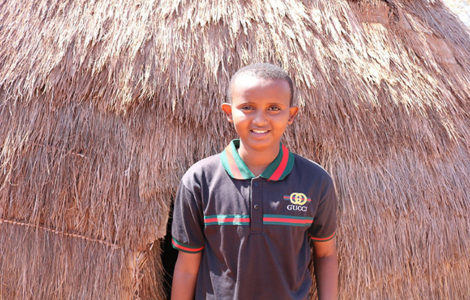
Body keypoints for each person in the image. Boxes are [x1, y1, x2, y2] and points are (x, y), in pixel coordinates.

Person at [171, 63, 338, 300]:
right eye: (247, 107)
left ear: (291, 115)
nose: (260, 120)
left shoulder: (315, 181)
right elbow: (187, 264)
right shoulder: (199, 181)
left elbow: (325, 255)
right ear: (229, 113)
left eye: (273, 108)